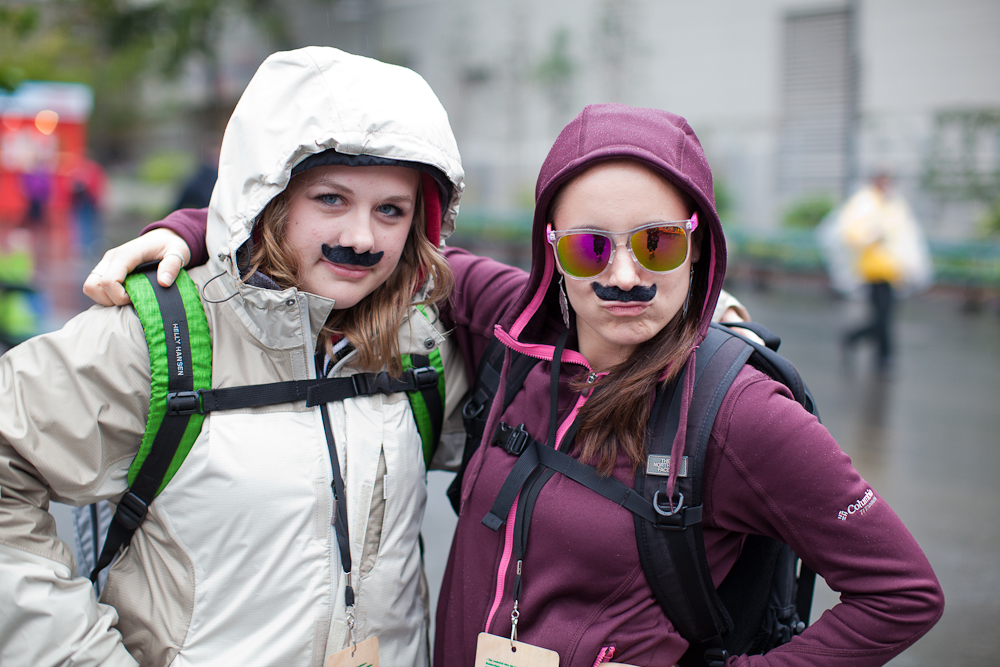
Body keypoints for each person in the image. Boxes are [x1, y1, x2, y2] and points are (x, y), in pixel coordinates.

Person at [85, 105, 943, 666]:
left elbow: (902, 592)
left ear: (698, 241)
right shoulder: (517, 321)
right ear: (551, 253)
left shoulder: (740, 411)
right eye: (589, 248)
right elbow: (363, 241)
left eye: (657, 245)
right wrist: (194, 230)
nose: (625, 277)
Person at [0, 46, 467, 667]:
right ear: (270, 199)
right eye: (331, 199)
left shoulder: (425, 349)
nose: (361, 237)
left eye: (391, 210)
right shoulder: (158, 336)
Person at [820, 171, 931, 374]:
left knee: (885, 316)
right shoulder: (864, 203)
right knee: (883, 317)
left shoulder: (894, 204)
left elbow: (906, 238)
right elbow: (850, 232)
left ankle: (855, 340)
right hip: (873, 270)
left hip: (892, 271)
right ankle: (884, 358)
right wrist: (872, 235)